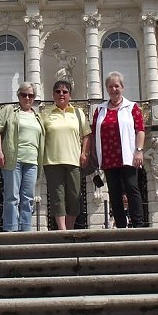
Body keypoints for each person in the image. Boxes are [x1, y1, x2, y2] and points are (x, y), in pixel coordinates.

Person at [90, 72, 145, 228]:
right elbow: (94, 133)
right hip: (108, 156)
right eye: (110, 86)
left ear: (122, 87)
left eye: (116, 86)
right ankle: (120, 226)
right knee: (114, 192)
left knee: (131, 188)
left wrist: (139, 150)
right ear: (107, 89)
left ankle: (138, 224)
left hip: (128, 155)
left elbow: (140, 130)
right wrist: (94, 154)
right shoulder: (100, 109)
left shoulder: (132, 107)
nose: (114, 89)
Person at [0, 82, 45, 232]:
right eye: (24, 95)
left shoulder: (38, 117)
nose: (27, 98)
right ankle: (10, 229)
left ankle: (26, 229)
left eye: (31, 95)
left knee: (28, 198)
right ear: (18, 96)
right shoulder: (10, 111)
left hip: (32, 161)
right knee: (12, 197)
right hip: (13, 159)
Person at [42, 80, 92, 230]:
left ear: (70, 95)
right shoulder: (45, 114)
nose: (61, 94)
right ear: (53, 95)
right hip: (52, 161)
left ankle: (70, 229)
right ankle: (62, 230)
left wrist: (84, 153)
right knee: (57, 196)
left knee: (74, 195)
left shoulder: (78, 113)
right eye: (58, 91)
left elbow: (87, 134)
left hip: (74, 160)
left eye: (65, 92)